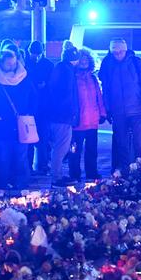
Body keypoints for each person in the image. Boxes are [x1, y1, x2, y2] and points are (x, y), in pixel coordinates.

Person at [0, 49, 36, 195]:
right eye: (8, 64)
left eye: (13, 63)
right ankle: (1, 185)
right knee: (2, 156)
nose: (12, 66)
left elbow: (33, 96)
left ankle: (21, 184)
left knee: (20, 155)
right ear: (1, 63)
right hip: (1, 125)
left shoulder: (24, 76)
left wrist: (29, 113)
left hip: (20, 122)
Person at [99, 38, 141, 171]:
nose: (118, 55)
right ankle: (124, 170)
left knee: (139, 142)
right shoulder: (107, 64)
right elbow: (106, 89)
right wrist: (107, 108)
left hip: (137, 109)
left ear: (125, 50)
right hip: (118, 111)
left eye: (120, 52)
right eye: (115, 52)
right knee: (121, 143)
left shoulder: (136, 62)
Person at [69, 47, 106, 181]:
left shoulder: (93, 79)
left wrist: (102, 113)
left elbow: (99, 97)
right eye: (81, 59)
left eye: (86, 59)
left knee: (92, 151)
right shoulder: (73, 78)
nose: (84, 62)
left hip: (92, 121)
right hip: (78, 122)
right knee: (75, 151)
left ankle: (92, 172)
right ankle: (74, 174)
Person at [47, 40, 80, 187]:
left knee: (59, 146)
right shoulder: (67, 71)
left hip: (56, 115)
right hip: (63, 117)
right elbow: (68, 96)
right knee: (61, 147)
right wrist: (72, 114)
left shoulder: (59, 68)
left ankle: (57, 173)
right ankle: (56, 176)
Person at [25, 40, 54, 174]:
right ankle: (28, 166)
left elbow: (53, 83)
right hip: (30, 107)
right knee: (28, 138)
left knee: (43, 138)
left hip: (43, 107)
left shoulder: (47, 65)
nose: (35, 56)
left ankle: (42, 165)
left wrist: (45, 85)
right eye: (33, 54)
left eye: (38, 54)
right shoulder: (25, 63)